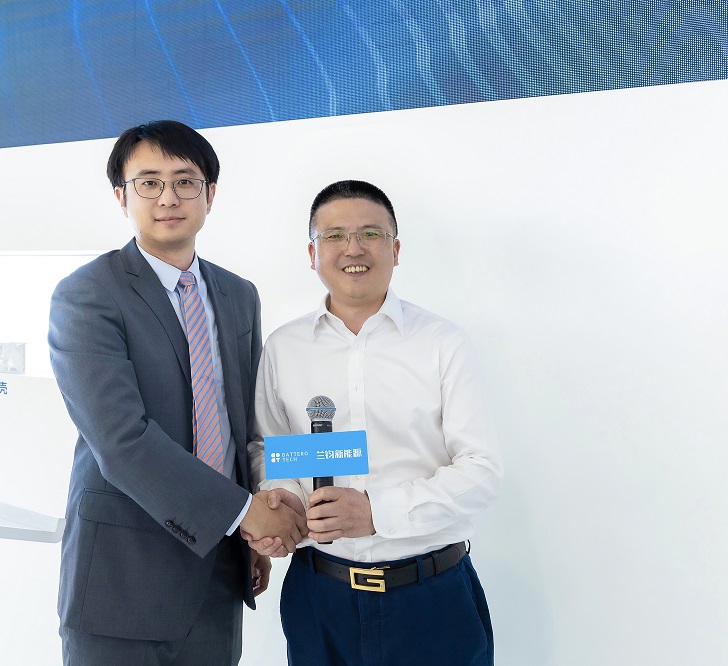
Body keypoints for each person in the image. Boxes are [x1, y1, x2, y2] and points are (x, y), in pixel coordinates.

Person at [48, 120, 306, 666]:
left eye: (186, 182)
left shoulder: (238, 295)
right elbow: (122, 441)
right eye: (149, 182)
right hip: (123, 580)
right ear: (122, 197)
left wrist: (251, 526)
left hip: (220, 574)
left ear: (210, 195)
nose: (168, 198)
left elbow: (243, 425)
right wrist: (244, 513)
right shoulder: (87, 296)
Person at [247, 180, 503, 665]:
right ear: (312, 253)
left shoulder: (442, 344)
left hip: (431, 598)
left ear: (396, 250)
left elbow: (481, 470)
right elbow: (269, 449)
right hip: (320, 597)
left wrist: (375, 511)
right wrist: (284, 501)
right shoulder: (284, 347)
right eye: (335, 235)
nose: (353, 248)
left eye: (371, 233)